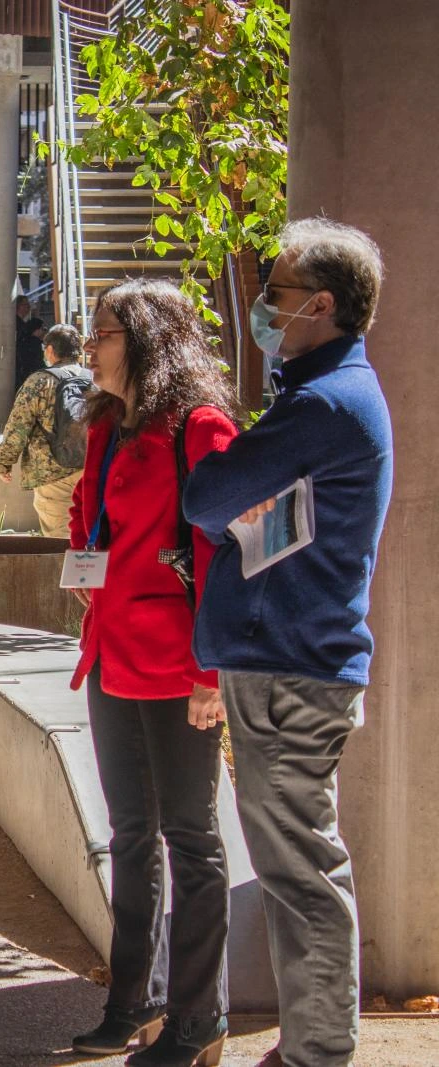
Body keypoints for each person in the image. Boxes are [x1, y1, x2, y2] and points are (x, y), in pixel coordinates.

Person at [182, 219, 393, 1067]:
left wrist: (239, 514)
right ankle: (312, 1045)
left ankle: (316, 1051)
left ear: (322, 305)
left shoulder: (323, 404)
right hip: (295, 663)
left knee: (301, 874)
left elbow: (207, 498)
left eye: (274, 290)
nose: (261, 305)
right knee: (300, 868)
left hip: (291, 669)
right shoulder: (329, 397)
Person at [66, 279, 238, 1067]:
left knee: (191, 837)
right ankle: (134, 998)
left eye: (102, 332)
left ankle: (200, 1016)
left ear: (145, 338)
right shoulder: (107, 426)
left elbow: (223, 553)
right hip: (110, 655)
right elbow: (85, 518)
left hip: (178, 665)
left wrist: (212, 672)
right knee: (129, 834)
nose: (89, 344)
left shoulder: (199, 428)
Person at [0, 324, 90, 537]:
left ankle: (65, 571)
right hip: (91, 468)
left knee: (60, 537)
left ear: (49, 350)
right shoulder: (94, 379)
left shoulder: (40, 381)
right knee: (91, 533)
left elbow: (18, 425)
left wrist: (5, 462)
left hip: (52, 472)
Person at [14, 294, 48, 388]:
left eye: (28, 304)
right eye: (25, 304)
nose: (28, 306)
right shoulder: (16, 323)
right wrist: (34, 336)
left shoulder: (24, 323)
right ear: (18, 306)